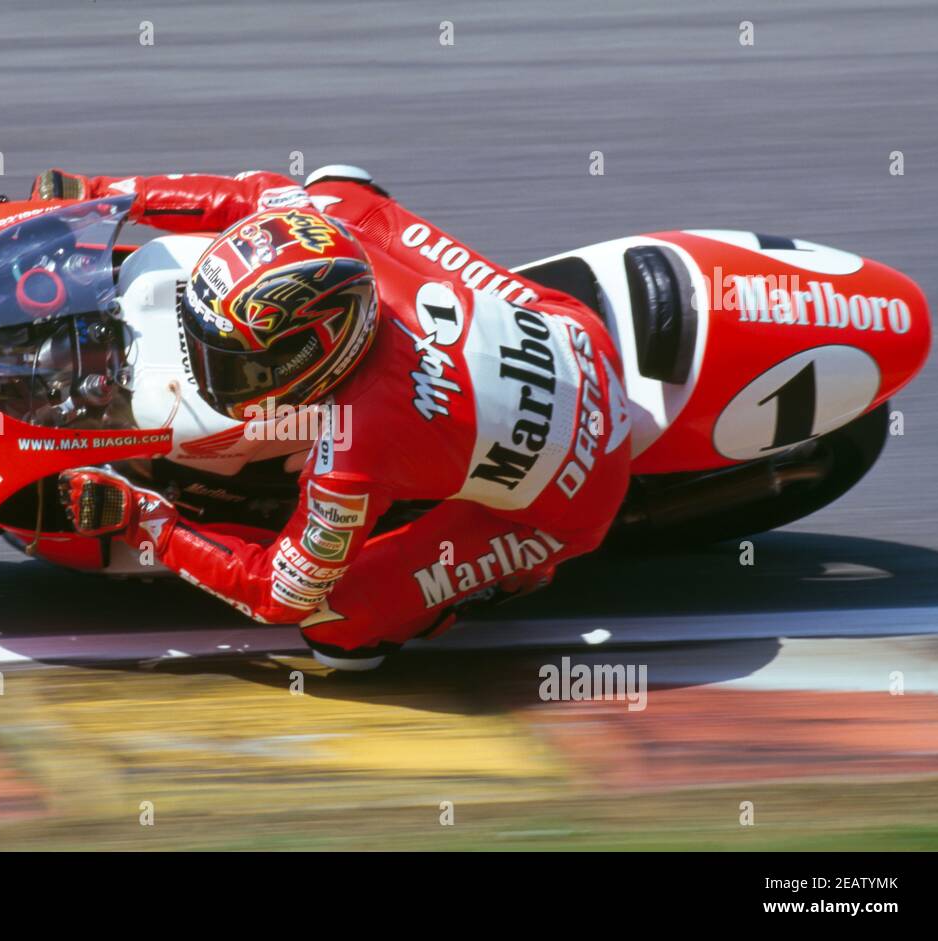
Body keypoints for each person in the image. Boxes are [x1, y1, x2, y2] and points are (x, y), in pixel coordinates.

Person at [31, 165, 632, 670]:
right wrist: (106, 195)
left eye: (236, 364)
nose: (213, 374)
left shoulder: (353, 452)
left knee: (339, 630)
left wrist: (144, 520)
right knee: (339, 186)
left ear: (313, 351)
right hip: (573, 328)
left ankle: (515, 575)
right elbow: (256, 199)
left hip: (572, 499)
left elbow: (280, 594)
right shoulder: (337, 222)